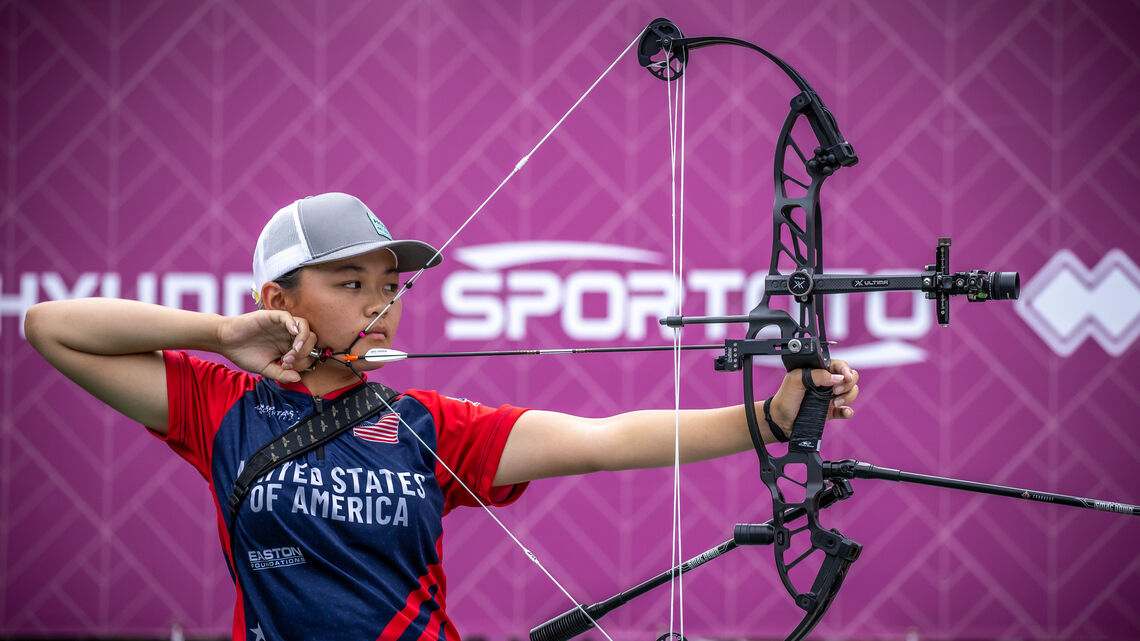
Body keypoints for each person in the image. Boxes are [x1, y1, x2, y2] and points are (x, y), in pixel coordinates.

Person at [24, 192, 860, 641]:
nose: (380, 305)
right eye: (350, 284)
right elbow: (52, 328)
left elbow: (606, 443)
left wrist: (774, 414)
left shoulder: (432, 425)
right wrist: (220, 334)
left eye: (389, 286)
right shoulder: (220, 406)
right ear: (279, 300)